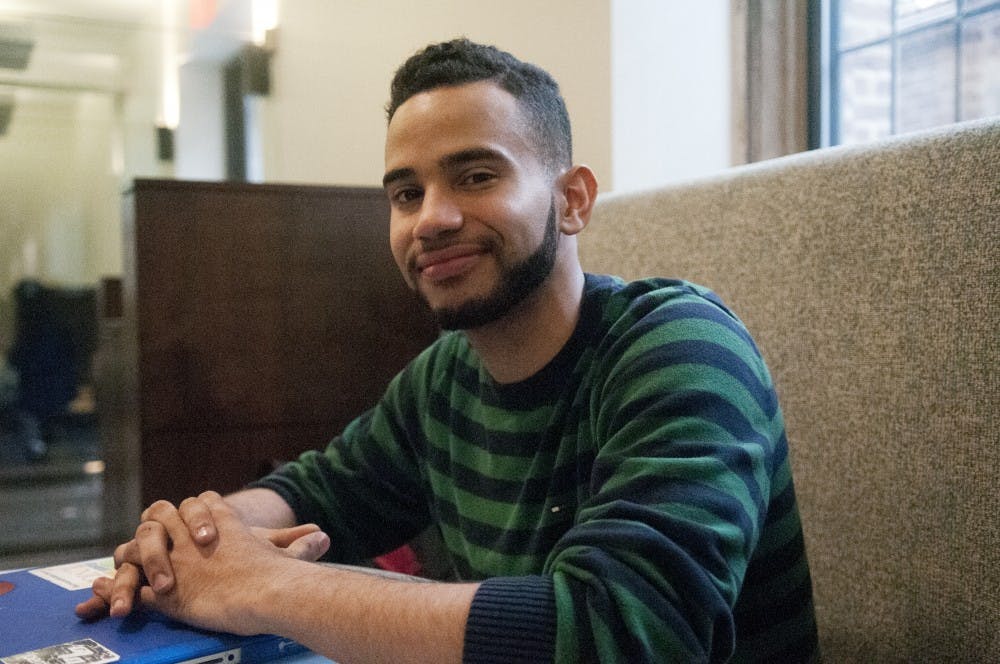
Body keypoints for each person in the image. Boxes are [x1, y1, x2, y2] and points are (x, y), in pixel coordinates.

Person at [77, 38, 819, 662]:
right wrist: (193, 539)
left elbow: (625, 631)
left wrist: (265, 587)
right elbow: (322, 490)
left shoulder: (679, 346)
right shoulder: (445, 377)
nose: (431, 219)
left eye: (476, 176)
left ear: (572, 200)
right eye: (406, 194)